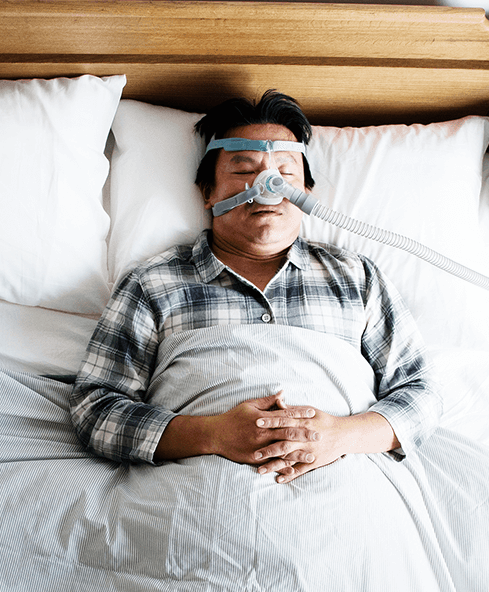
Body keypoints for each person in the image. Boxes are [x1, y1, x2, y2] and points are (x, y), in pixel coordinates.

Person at [69, 91, 441, 484]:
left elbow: (421, 394)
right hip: (196, 491)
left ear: (307, 195)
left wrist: (338, 436)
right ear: (208, 191)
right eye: (244, 169)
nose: (267, 184)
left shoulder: (355, 278)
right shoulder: (153, 284)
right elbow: (96, 408)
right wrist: (213, 434)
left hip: (347, 489)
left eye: (285, 171)